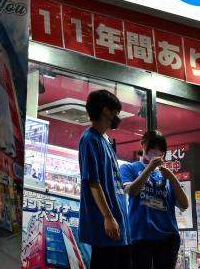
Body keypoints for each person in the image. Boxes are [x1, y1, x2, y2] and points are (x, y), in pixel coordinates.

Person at [78, 89, 132, 269]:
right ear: (105, 110)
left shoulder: (106, 141)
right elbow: (93, 182)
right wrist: (108, 216)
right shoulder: (89, 139)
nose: (117, 115)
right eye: (115, 110)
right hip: (106, 225)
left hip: (118, 221)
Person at [120, 130, 189, 269]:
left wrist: (173, 178)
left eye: (160, 150)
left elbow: (184, 204)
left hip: (167, 238)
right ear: (143, 144)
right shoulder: (128, 168)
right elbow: (131, 191)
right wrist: (149, 168)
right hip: (140, 236)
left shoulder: (165, 174)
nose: (156, 152)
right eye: (153, 148)